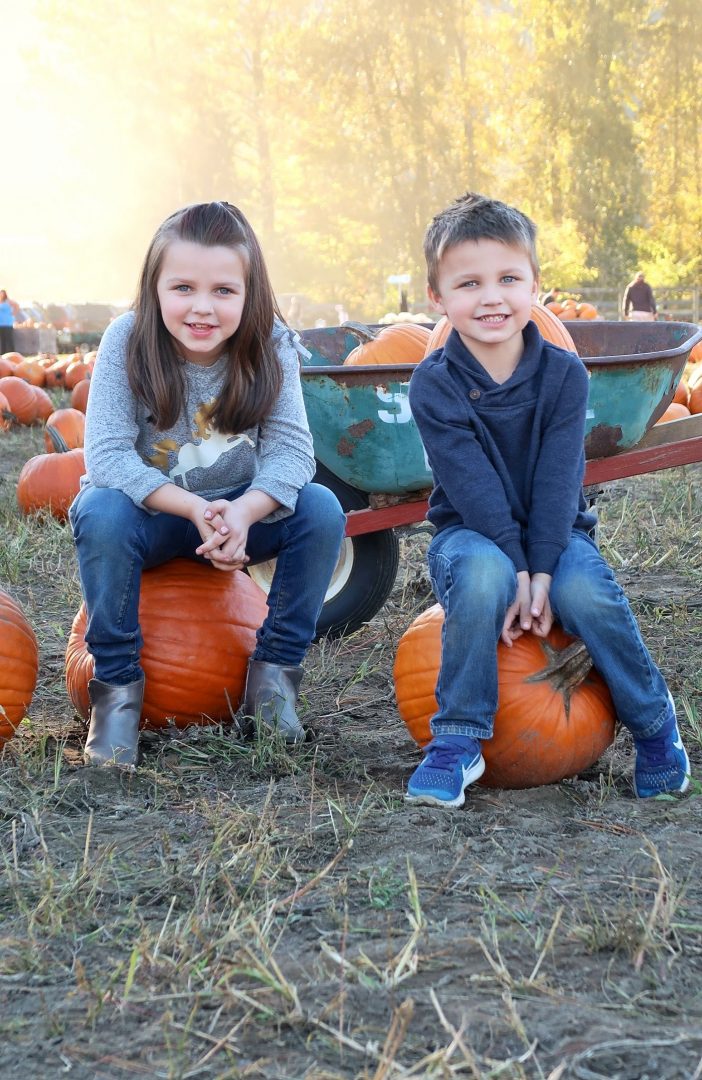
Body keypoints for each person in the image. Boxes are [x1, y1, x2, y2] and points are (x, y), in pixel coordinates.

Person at [405, 191, 690, 807]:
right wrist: (517, 571)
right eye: (469, 283)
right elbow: (474, 489)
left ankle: (652, 722)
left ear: (535, 284)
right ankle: (457, 739)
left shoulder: (564, 374)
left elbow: (561, 482)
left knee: (583, 589)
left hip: (558, 531)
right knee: (482, 576)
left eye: (508, 279)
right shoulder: (433, 384)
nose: (491, 297)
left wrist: (541, 572)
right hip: (470, 533)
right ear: (437, 297)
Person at [69, 201, 346, 769]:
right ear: (154, 288)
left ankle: (273, 683)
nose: (202, 307)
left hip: (238, 518)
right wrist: (194, 508)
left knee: (321, 509)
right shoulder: (128, 339)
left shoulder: (270, 344)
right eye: (183, 288)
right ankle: (116, 694)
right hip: (152, 518)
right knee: (100, 510)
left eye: (223, 290)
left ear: (250, 293)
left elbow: (293, 451)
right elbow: (107, 455)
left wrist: (245, 512)